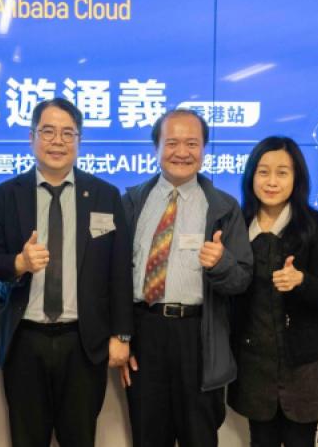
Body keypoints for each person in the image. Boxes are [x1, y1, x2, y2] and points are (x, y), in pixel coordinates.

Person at [0, 97, 132, 447]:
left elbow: (118, 270)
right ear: (32, 137)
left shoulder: (105, 195)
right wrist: (19, 264)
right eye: (48, 131)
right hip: (24, 339)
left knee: (80, 437)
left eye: (68, 133)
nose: (58, 141)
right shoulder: (4, 196)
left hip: (84, 341)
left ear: (79, 140)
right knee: (27, 439)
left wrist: (122, 334)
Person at [121, 108, 253, 447]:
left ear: (204, 148)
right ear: (156, 148)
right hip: (145, 332)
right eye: (172, 143)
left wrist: (221, 263)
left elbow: (242, 279)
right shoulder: (132, 202)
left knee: (200, 437)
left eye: (192, 143)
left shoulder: (224, 208)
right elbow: (115, 276)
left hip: (199, 336)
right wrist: (123, 335)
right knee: (148, 436)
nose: (182, 152)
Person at [227, 136, 318, 446]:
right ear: (251, 176)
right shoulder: (236, 225)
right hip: (254, 363)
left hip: (305, 365)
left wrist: (301, 281)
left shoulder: (317, 226)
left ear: (297, 178)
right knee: (260, 440)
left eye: (282, 172)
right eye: (263, 172)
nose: (272, 181)